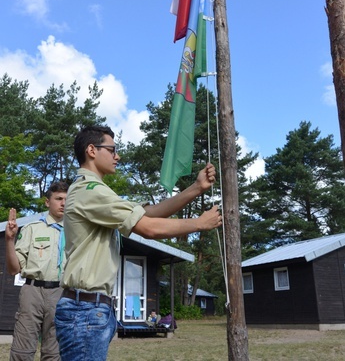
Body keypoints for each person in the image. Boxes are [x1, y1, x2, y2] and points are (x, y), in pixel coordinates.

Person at [55, 125, 222, 361]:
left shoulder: (95, 192)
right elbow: (149, 228)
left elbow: (149, 213)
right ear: (92, 150)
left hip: (90, 309)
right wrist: (200, 223)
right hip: (85, 310)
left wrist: (196, 188)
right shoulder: (89, 191)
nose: (117, 156)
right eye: (112, 150)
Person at [5, 181, 68, 361]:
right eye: (58, 199)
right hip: (32, 292)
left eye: (67, 199)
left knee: (54, 352)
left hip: (62, 293)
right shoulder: (33, 229)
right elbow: (13, 269)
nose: (63, 203)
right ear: (47, 202)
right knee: (22, 350)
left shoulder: (76, 232)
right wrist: (10, 240)